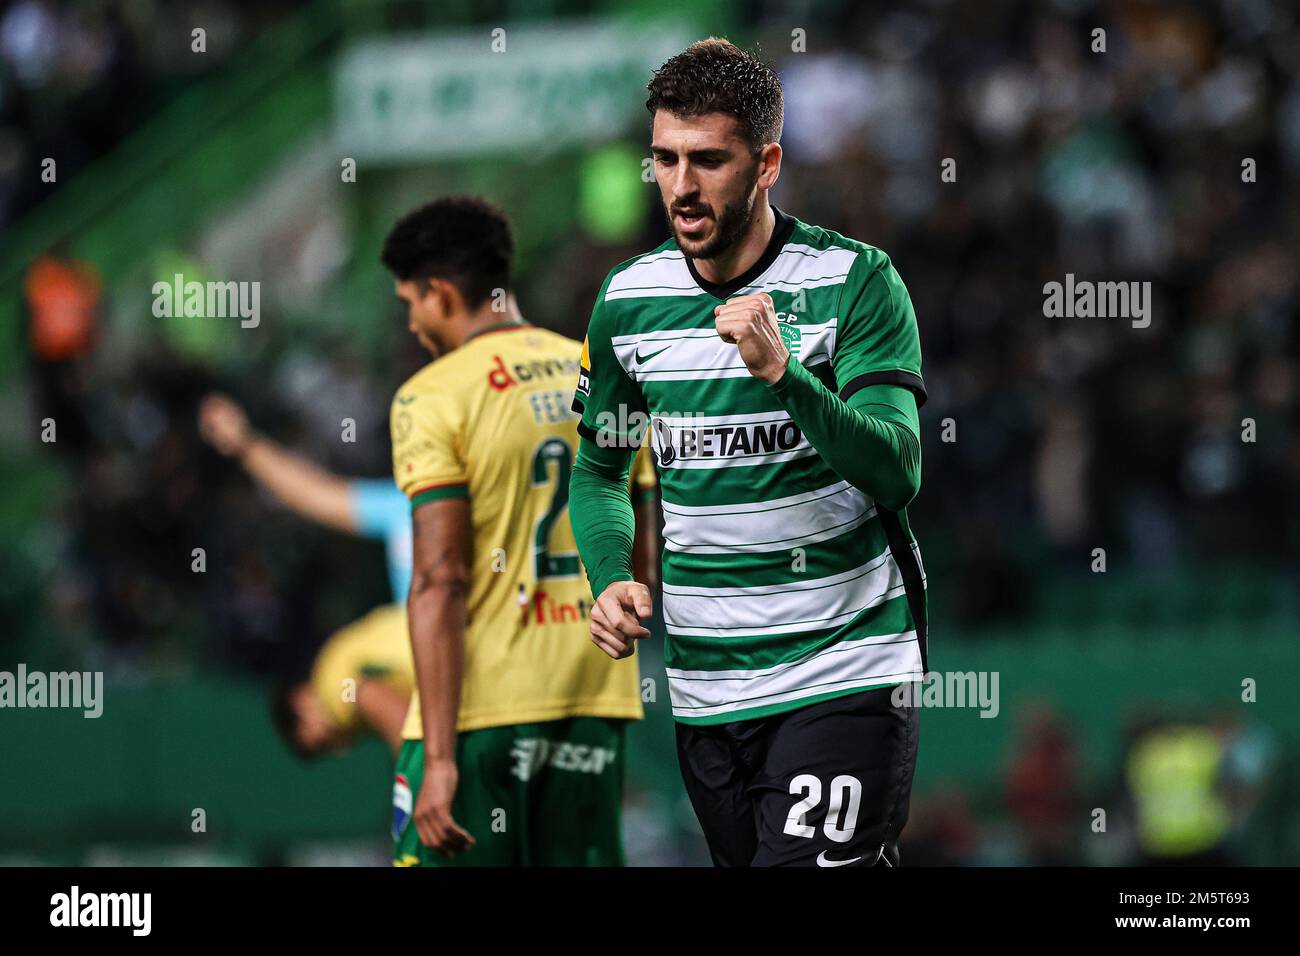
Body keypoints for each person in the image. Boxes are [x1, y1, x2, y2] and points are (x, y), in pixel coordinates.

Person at [569, 38, 927, 867]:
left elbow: (897, 471)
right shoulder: (627, 302)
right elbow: (599, 471)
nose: (681, 187)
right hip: (706, 692)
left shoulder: (855, 281)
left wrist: (784, 374)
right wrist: (610, 573)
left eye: (708, 161)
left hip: (844, 666)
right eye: (664, 159)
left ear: (766, 163)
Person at [382, 195, 655, 866]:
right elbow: (643, 565)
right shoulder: (603, 372)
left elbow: (441, 577)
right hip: (592, 706)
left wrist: (440, 759)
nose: (413, 324)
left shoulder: (433, 395)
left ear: (441, 293)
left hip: (479, 721)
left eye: (410, 302)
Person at [198, 393, 414, 754]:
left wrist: (424, 777)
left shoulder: (334, 679)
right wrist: (245, 446)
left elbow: (320, 498)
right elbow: (319, 498)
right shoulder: (407, 505)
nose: (339, 749)